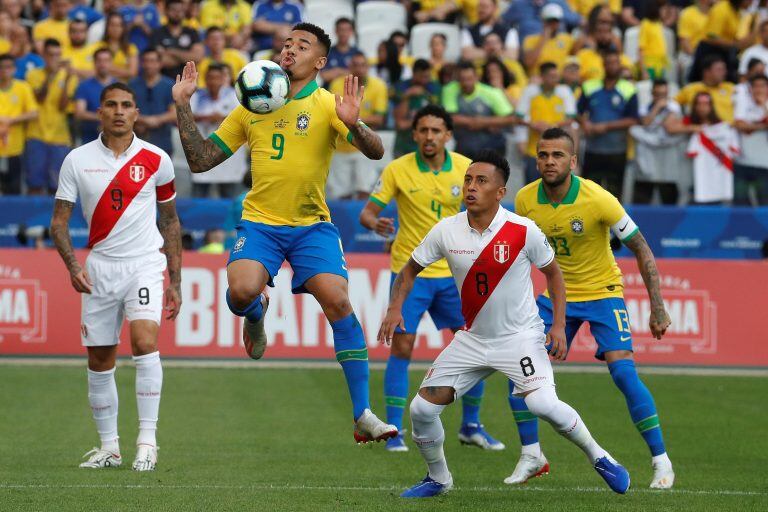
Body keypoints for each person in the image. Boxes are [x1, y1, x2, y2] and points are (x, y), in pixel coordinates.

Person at [171, 23, 397, 442]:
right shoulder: (252, 102)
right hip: (260, 222)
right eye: (288, 43)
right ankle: (255, 315)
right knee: (241, 292)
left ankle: (363, 413)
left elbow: (377, 151)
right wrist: (183, 105)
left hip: (312, 225)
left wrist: (356, 124)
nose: (290, 49)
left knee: (339, 301)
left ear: (320, 62)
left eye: (302, 45)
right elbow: (201, 161)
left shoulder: (330, 104)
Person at [379, 149, 630, 498]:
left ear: (500, 192)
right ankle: (439, 479)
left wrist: (557, 326)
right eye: (468, 179)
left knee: (542, 404)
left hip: (520, 339)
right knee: (421, 409)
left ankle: (600, 456)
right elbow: (408, 271)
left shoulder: (522, 230)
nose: (471, 187)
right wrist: (395, 309)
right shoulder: (445, 231)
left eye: (481, 181)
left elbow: (554, 276)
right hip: (473, 340)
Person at [506, 127, 675, 489]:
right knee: (520, 372)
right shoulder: (524, 200)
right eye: (543, 155)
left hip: (602, 292)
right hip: (555, 297)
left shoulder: (599, 199)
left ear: (573, 161)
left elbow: (641, 247)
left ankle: (661, 461)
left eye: (557, 155)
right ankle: (532, 454)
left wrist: (657, 306)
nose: (549, 162)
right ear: (536, 159)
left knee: (624, 374)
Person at [49, 82, 182, 472]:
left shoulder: (158, 159)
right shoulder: (77, 160)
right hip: (99, 269)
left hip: (143, 263)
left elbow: (171, 221)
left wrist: (175, 279)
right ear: (100, 112)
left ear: (137, 113)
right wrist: (74, 266)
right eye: (111, 105)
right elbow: (59, 223)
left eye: (127, 105)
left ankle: (147, 441)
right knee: (100, 357)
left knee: (144, 342)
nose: (119, 111)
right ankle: (110, 447)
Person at [359, 105, 504, 453]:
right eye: (423, 130)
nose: (429, 137)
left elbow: (490, 213)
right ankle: (394, 429)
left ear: (447, 135)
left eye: (436, 131)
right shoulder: (398, 169)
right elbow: (368, 212)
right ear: (414, 134)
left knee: (477, 349)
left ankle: (471, 426)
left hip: (458, 274)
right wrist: (375, 224)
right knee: (403, 346)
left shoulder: (466, 170)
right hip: (412, 272)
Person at [578, 49, 639, 201]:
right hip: (593, 149)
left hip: (617, 150)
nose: (613, 66)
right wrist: (585, 123)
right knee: (589, 194)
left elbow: (633, 119)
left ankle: (613, 226)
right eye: (609, 62)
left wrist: (605, 127)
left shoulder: (629, 89)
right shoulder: (589, 86)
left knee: (615, 195)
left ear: (620, 65)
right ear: (603, 65)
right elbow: (578, 112)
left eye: (616, 62)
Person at [327, 51, 388, 199]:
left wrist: (352, 119)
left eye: (362, 65)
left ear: (368, 67)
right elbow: (333, 114)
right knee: (341, 195)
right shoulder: (336, 83)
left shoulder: (379, 85)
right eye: (355, 65)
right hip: (340, 146)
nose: (359, 68)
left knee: (365, 191)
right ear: (349, 66)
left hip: (364, 145)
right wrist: (355, 119)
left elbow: (379, 119)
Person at [25, 38, 78, 195]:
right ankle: (33, 220)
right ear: (44, 56)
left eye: (58, 55)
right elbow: (39, 98)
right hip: (36, 135)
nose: (55, 59)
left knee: (57, 187)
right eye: (51, 55)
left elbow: (63, 106)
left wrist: (67, 79)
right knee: (35, 185)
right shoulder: (33, 75)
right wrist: (51, 75)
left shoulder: (69, 77)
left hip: (59, 138)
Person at [190, 63, 248, 198]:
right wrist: (207, 117)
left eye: (217, 78)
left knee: (229, 198)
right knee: (199, 201)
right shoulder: (197, 96)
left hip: (228, 153)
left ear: (223, 79)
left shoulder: (235, 95)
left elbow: (245, 117)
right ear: (206, 79)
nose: (213, 81)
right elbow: (186, 117)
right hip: (203, 151)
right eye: (210, 77)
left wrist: (221, 117)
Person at [516, 62, 576, 184]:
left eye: (556, 76)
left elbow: (571, 118)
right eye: (551, 76)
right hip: (534, 151)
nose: (555, 79)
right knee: (532, 188)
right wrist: (533, 124)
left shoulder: (564, 92)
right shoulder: (530, 92)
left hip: (559, 151)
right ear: (542, 77)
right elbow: (519, 117)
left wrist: (553, 127)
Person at [442, 60, 515, 160]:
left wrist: (484, 122)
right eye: (462, 79)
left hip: (492, 149)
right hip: (464, 149)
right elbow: (450, 117)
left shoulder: (491, 92)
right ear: (457, 79)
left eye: (469, 79)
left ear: (477, 77)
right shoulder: (450, 89)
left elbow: (511, 118)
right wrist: (476, 122)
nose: (466, 83)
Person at [686, 92, 739, 204]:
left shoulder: (726, 128)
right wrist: (691, 128)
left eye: (706, 104)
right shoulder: (690, 124)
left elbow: (735, 154)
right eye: (699, 104)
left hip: (722, 185)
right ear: (694, 106)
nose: (702, 107)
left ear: (711, 106)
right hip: (699, 183)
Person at [0, 53, 38, 195]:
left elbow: (34, 112)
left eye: (8, 67)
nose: (5, 70)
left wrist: (11, 120)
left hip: (15, 148)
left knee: (14, 189)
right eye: (1, 67)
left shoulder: (22, 87)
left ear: (14, 69)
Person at [129, 49, 176, 158]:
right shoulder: (132, 85)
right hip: (136, 142)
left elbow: (174, 113)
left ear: (160, 64)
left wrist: (156, 120)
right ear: (141, 63)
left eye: (153, 61)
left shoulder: (169, 85)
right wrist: (144, 120)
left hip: (163, 142)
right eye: (146, 61)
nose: (149, 65)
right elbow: (126, 111)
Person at [392, 59, 441, 158]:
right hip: (403, 147)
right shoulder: (401, 87)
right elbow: (399, 123)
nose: (425, 80)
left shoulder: (434, 89)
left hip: (427, 147)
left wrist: (411, 123)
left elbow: (436, 119)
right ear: (414, 74)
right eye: (422, 77)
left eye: (427, 76)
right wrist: (407, 95)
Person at [733, 74, 768, 205]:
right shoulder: (742, 104)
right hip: (742, 163)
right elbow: (738, 125)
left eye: (763, 86)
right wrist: (762, 126)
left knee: (765, 205)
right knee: (741, 205)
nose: (759, 89)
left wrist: (764, 105)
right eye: (755, 86)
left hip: (764, 165)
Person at [150, 0, 204, 79]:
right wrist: (187, 57)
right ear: (166, 11)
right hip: (164, 81)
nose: (177, 13)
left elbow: (197, 57)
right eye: (173, 10)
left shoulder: (192, 32)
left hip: (189, 81)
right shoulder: (157, 33)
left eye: (180, 10)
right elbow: (161, 61)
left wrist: (171, 51)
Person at [74, 47, 117, 144]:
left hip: (114, 141)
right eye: (99, 60)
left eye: (106, 60)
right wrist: (103, 118)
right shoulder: (84, 86)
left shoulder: (120, 87)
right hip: (89, 140)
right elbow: (79, 112)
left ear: (111, 63)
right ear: (94, 63)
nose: (102, 64)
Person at [676, 55, 735, 123]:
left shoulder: (731, 88)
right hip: (702, 129)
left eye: (724, 69)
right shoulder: (691, 89)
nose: (724, 73)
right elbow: (672, 105)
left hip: (731, 130)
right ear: (707, 72)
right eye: (719, 70)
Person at [522, 3, 575, 75]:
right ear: (543, 21)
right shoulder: (530, 40)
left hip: (560, 80)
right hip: (538, 80)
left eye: (555, 21)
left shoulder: (567, 39)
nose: (553, 24)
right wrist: (543, 39)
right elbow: (528, 63)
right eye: (549, 21)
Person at [95, 12, 139, 82]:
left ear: (123, 28)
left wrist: (108, 69)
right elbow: (94, 70)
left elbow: (133, 73)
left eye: (119, 25)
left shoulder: (131, 48)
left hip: (123, 87)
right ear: (107, 27)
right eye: (112, 25)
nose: (115, 29)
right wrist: (123, 71)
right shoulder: (97, 46)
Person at [320, 17, 358, 85]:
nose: (344, 33)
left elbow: (359, 75)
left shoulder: (357, 53)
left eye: (347, 30)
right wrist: (347, 72)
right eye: (341, 29)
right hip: (329, 93)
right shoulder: (327, 52)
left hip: (350, 93)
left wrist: (337, 71)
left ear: (352, 31)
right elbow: (324, 76)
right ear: (336, 31)